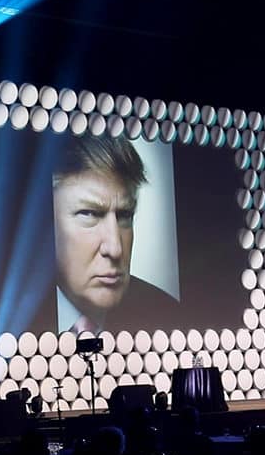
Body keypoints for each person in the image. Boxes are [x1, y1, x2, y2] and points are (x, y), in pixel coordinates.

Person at [51, 134, 182, 334]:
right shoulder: (9, 323)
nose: (115, 248)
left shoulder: (168, 317)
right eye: (89, 214)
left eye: (124, 216)